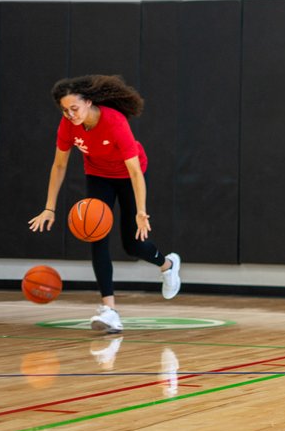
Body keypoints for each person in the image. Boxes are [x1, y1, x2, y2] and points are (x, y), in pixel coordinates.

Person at [27, 75, 181, 334]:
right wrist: (49, 207)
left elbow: (134, 171)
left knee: (133, 245)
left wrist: (141, 211)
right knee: (96, 237)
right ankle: (109, 310)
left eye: (74, 108)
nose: (70, 114)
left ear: (88, 102)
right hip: (98, 175)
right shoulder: (67, 125)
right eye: (65, 110)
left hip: (129, 175)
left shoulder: (114, 122)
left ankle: (168, 265)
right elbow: (59, 165)